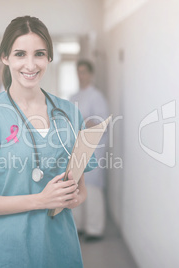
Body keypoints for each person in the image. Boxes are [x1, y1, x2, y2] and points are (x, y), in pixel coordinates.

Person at [0, 16, 97, 267]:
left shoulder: (69, 113)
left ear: (49, 58)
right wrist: (41, 200)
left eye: (39, 54)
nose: (30, 64)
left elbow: (80, 189)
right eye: (20, 54)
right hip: (8, 251)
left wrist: (74, 198)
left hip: (61, 249)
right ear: (5, 57)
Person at [70, 59, 109, 241]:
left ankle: (94, 228)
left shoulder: (96, 96)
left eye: (84, 71)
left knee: (92, 187)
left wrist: (82, 121)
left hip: (94, 147)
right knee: (76, 186)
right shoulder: (75, 96)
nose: (81, 75)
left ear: (91, 74)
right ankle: (79, 226)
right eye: (78, 71)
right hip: (77, 146)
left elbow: (100, 122)